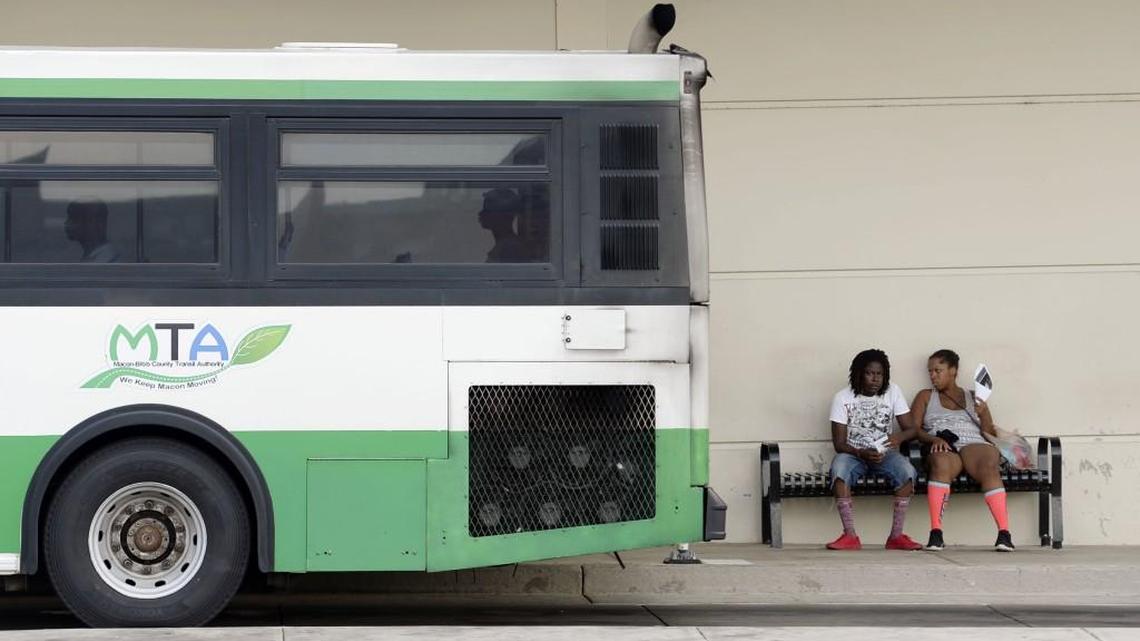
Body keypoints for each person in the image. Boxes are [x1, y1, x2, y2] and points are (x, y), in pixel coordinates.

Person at [912, 349, 1014, 552]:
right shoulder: (925, 396)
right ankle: (936, 533)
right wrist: (933, 438)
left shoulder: (973, 396)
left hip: (972, 442)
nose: (932, 375)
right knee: (940, 462)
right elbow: (914, 429)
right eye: (930, 371)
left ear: (953, 371)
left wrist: (983, 413)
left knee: (988, 464)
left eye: (937, 370)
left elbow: (987, 431)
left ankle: (1004, 533)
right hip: (943, 443)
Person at [826, 349, 923, 551]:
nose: (875, 379)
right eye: (870, 373)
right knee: (839, 472)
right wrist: (861, 453)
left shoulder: (893, 391)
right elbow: (839, 444)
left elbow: (912, 429)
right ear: (859, 373)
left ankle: (896, 536)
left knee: (907, 473)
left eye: (880, 374)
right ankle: (850, 536)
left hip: (885, 453)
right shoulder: (842, 398)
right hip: (853, 454)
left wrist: (896, 438)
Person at [477, 188, 532, 263]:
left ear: (501, 216)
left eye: (487, 210)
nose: (480, 213)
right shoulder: (506, 246)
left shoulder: (510, 248)